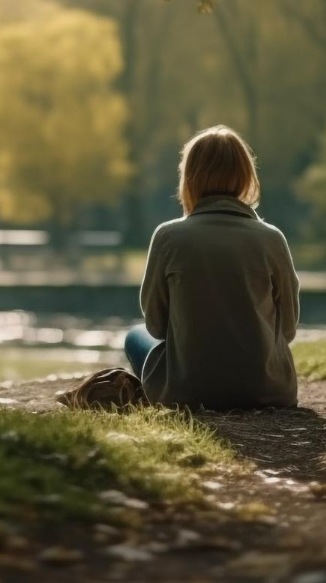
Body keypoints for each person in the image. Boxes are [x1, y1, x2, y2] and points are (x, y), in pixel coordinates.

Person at [124, 125, 301, 409]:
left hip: (188, 392)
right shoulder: (272, 239)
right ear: (246, 177)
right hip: (267, 391)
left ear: (189, 179)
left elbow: (155, 328)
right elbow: (288, 331)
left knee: (135, 336)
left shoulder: (168, 237)